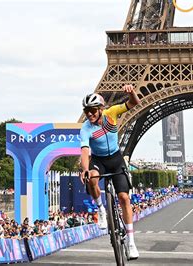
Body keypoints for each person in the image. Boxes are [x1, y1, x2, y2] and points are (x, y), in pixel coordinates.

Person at [80, 85, 140, 259]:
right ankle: (100, 209)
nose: (89, 115)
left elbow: (135, 103)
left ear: (100, 109)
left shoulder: (112, 113)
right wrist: (84, 169)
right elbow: (84, 150)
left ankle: (131, 242)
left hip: (116, 159)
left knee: (124, 198)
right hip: (99, 160)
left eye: (92, 111)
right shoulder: (85, 128)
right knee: (91, 177)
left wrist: (131, 93)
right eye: (86, 112)